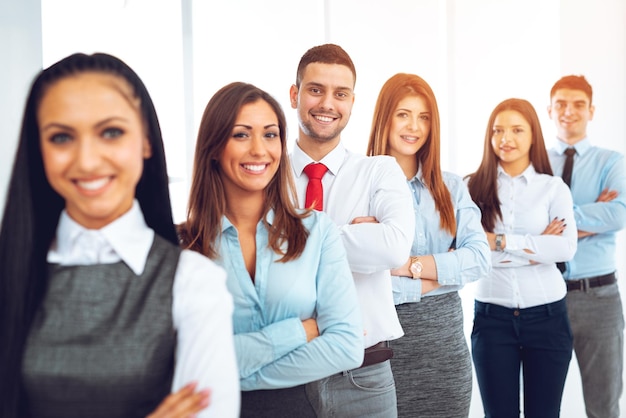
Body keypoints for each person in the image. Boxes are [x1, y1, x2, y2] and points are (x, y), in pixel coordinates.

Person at [0, 52, 240, 418]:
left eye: (111, 132)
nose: (87, 161)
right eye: (61, 137)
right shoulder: (10, 273)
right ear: (39, 149)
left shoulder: (193, 281)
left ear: (145, 140)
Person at [178, 81, 363, 417]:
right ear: (214, 147)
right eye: (241, 134)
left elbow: (346, 347)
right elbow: (178, 360)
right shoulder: (181, 247)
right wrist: (297, 331)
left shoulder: (317, 232)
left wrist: (230, 373)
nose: (260, 150)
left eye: (270, 134)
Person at [289, 44, 415, 418]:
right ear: (295, 94)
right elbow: (251, 255)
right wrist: (352, 237)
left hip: (363, 378)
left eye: (340, 94)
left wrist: (289, 235)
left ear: (352, 102)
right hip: (285, 376)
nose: (328, 103)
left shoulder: (380, 171)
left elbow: (394, 248)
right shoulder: (265, 173)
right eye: (316, 90)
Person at [366, 73, 491, 417]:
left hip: (444, 349)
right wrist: (441, 277)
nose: (414, 126)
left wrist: (408, 266)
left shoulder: (451, 187)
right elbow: (353, 277)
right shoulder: (359, 186)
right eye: (403, 114)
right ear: (385, 117)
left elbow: (479, 259)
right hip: (380, 348)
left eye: (423, 117)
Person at [466, 98, 578, 417]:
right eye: (498, 130)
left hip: (548, 318)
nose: (506, 138)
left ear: (533, 135)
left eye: (517, 129)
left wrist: (498, 241)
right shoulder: (471, 187)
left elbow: (565, 249)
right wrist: (536, 247)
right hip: (492, 319)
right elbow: (471, 254)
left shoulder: (553, 188)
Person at [547, 75, 626, 418]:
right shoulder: (533, 164)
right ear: (549, 110)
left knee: (604, 405)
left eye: (578, 104)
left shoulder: (612, 162)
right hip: (544, 296)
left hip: (599, 299)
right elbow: (522, 224)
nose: (569, 112)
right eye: (561, 104)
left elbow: (619, 212)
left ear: (591, 111)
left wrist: (558, 224)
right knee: (540, 404)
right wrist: (592, 214)